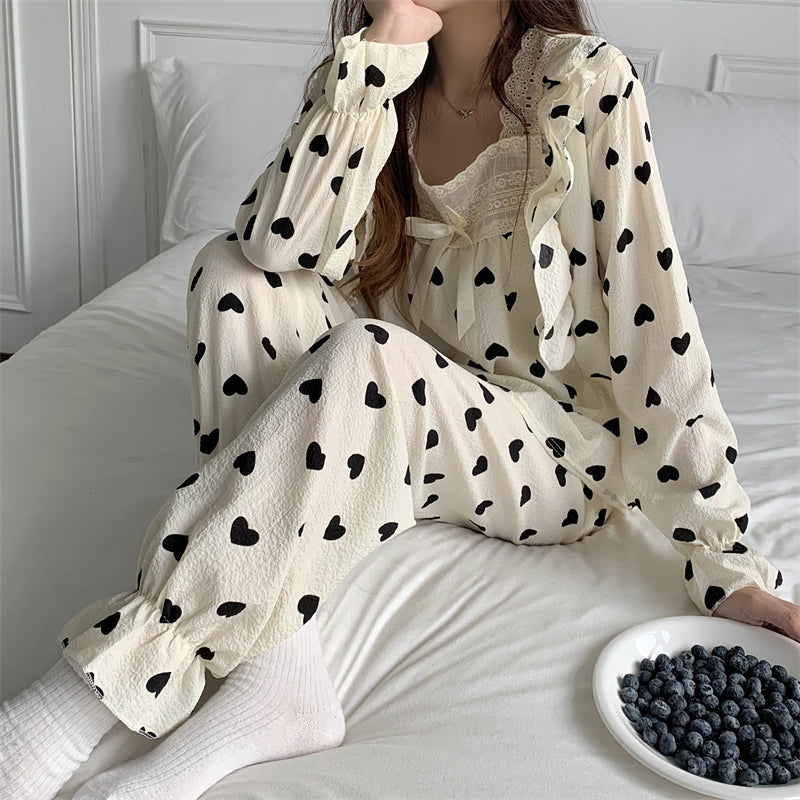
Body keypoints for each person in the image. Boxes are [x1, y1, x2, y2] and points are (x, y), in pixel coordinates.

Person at [2, 0, 798, 798]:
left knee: (370, 354)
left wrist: (724, 559)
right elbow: (277, 246)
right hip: (402, 393)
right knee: (230, 276)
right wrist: (379, 61)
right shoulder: (371, 74)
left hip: (553, 448)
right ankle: (278, 673)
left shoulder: (585, 83)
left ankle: (73, 707)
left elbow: (656, 328)